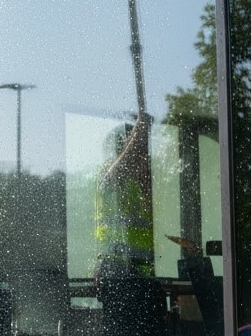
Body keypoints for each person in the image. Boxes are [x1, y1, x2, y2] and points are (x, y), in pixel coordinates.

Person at [94, 111, 167, 336]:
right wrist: (141, 130)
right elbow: (122, 169)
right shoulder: (108, 172)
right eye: (135, 147)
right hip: (117, 273)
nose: (142, 153)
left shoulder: (147, 179)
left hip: (144, 278)